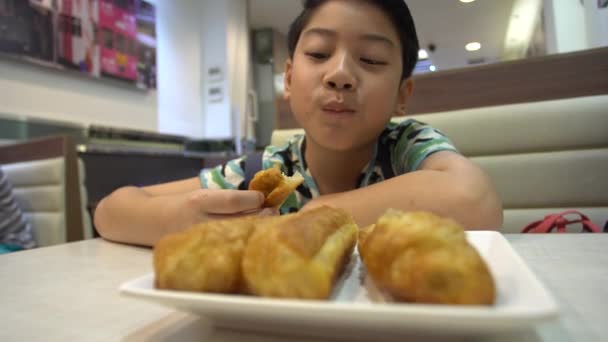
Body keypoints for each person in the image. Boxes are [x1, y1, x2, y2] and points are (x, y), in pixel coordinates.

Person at [95, 0, 503, 247]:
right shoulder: (264, 172)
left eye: (372, 60)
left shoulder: (407, 148)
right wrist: (177, 222)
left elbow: (474, 199)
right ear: (289, 80)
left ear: (402, 94)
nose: (340, 74)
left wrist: (316, 215)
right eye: (320, 53)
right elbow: (112, 210)